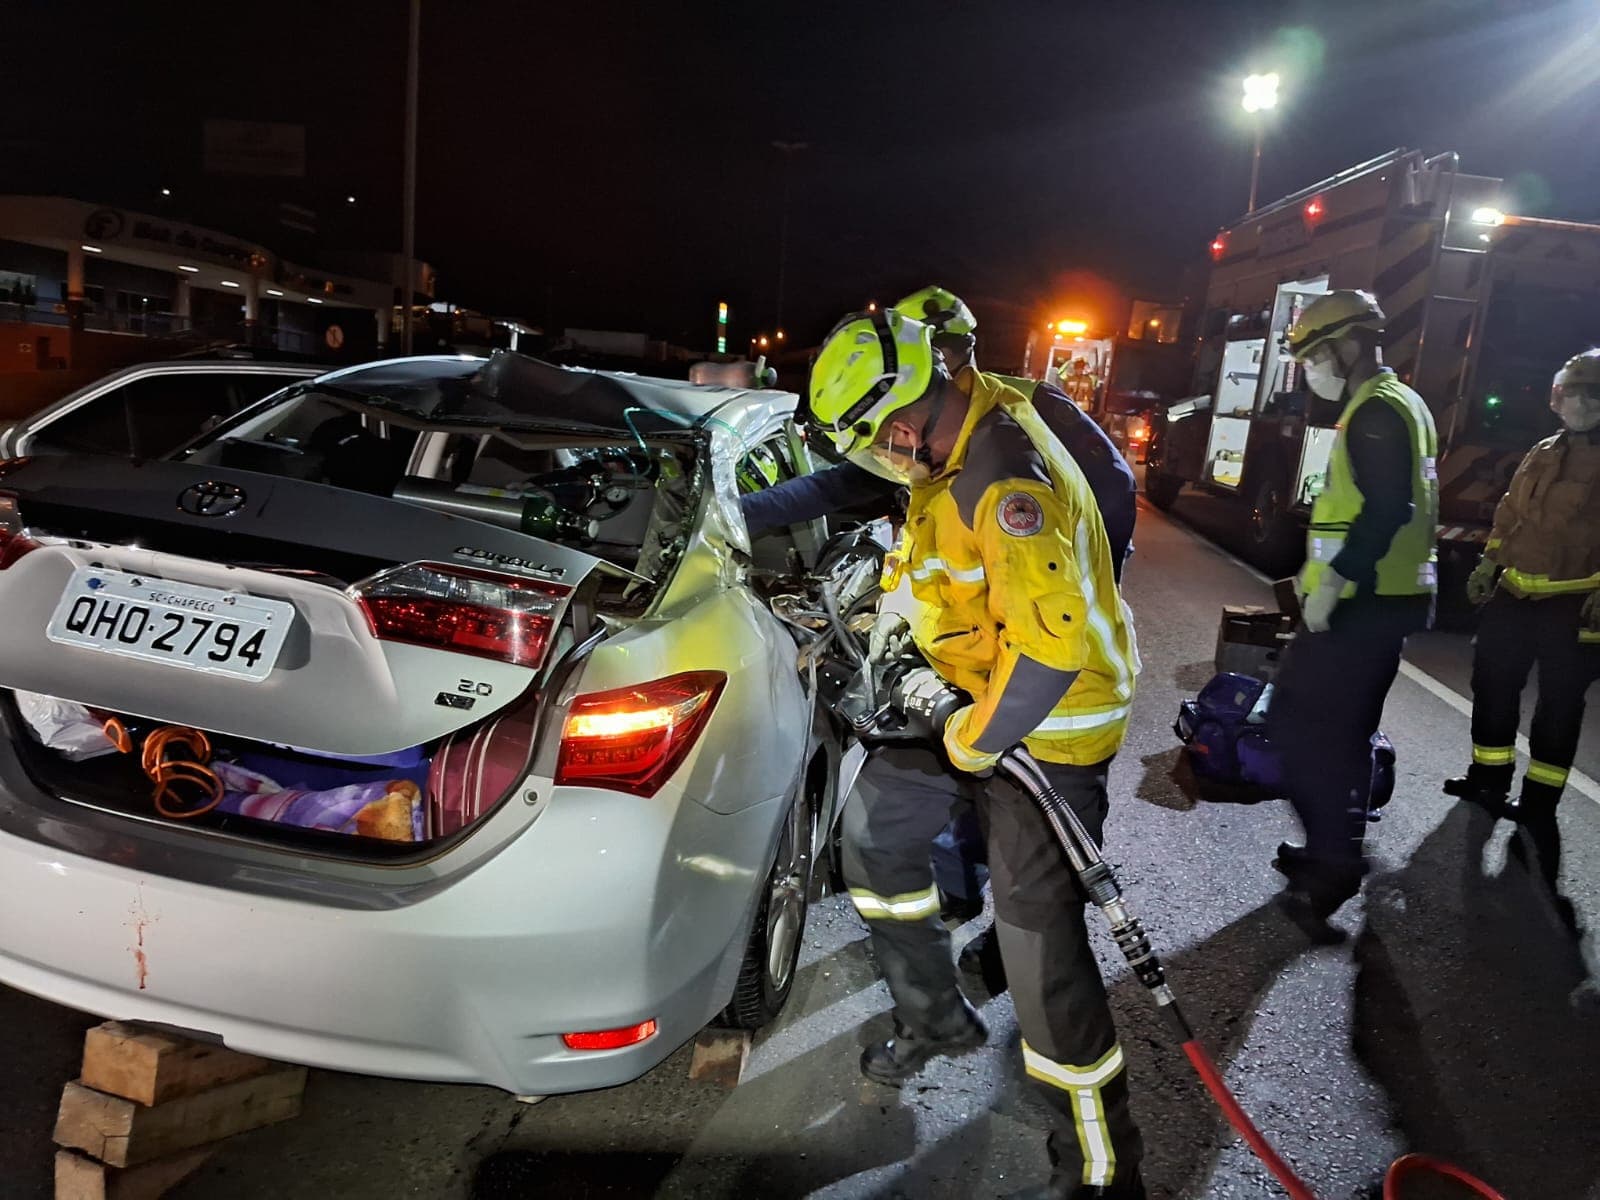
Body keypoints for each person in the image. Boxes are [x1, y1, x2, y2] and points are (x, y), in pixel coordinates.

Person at [807, 308, 1145, 1199]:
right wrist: (896, 633)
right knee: (876, 840)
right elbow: (932, 562)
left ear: (904, 424)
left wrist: (971, 739)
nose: (878, 463)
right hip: (966, 685)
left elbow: (1049, 650)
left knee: (1045, 960)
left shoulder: (1001, 478)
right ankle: (937, 1019)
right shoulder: (957, 422)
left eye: (874, 446)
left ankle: (1103, 1170)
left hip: (1049, 725)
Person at [1269, 290, 1439, 938]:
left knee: (1298, 731)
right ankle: (1326, 854)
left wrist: (1335, 581)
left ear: (1347, 344)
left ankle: (1334, 865)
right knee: (1340, 737)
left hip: (1362, 607)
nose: (1311, 368)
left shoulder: (1376, 412)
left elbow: (1388, 508)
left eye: (1314, 354)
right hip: (1380, 604)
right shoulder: (1402, 403)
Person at [1443, 349, 1600, 907]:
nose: (1579, 403)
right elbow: (1510, 514)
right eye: (1571, 392)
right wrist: (1489, 562)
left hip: (1574, 605)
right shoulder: (1543, 451)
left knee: (1559, 708)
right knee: (1491, 685)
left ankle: (1538, 807)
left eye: (1591, 393)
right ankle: (1488, 781)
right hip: (1515, 595)